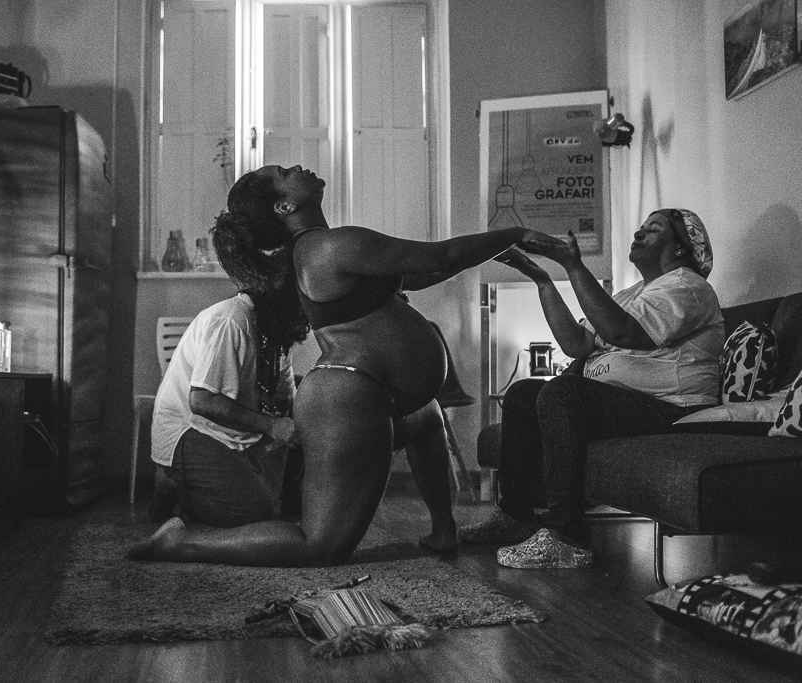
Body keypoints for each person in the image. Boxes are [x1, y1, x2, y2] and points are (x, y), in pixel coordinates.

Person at [128, 164, 558, 567]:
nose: (298, 167)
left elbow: (420, 273)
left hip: (363, 392)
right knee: (320, 546)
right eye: (284, 173)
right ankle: (181, 543)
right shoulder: (328, 247)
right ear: (285, 206)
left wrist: (489, 251)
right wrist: (514, 233)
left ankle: (443, 531)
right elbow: (441, 257)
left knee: (427, 419)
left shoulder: (320, 250)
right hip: (348, 397)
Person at [458, 208, 723, 570]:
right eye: (642, 226)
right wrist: (542, 280)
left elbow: (622, 332)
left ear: (680, 247)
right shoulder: (633, 294)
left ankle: (564, 533)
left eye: (654, 229)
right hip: (628, 403)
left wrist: (574, 266)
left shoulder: (687, 287)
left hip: (672, 406)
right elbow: (576, 342)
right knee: (524, 393)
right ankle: (515, 515)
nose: (640, 233)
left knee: (564, 392)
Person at [148, 237, 310, 528]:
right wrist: (272, 426)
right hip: (188, 427)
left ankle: (282, 501)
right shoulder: (231, 320)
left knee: (308, 404)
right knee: (253, 515)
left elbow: (286, 395)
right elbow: (202, 401)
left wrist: (304, 421)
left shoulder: (276, 330)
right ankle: (175, 486)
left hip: (228, 428)